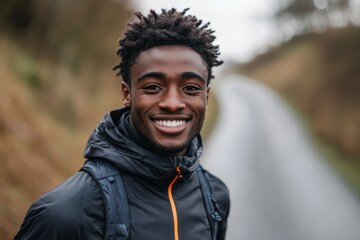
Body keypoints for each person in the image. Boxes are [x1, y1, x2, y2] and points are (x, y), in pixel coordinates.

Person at [14, 8, 230, 240]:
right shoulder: (65, 215)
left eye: (190, 88)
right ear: (127, 94)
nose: (172, 103)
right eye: (153, 87)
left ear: (206, 98)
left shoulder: (215, 197)